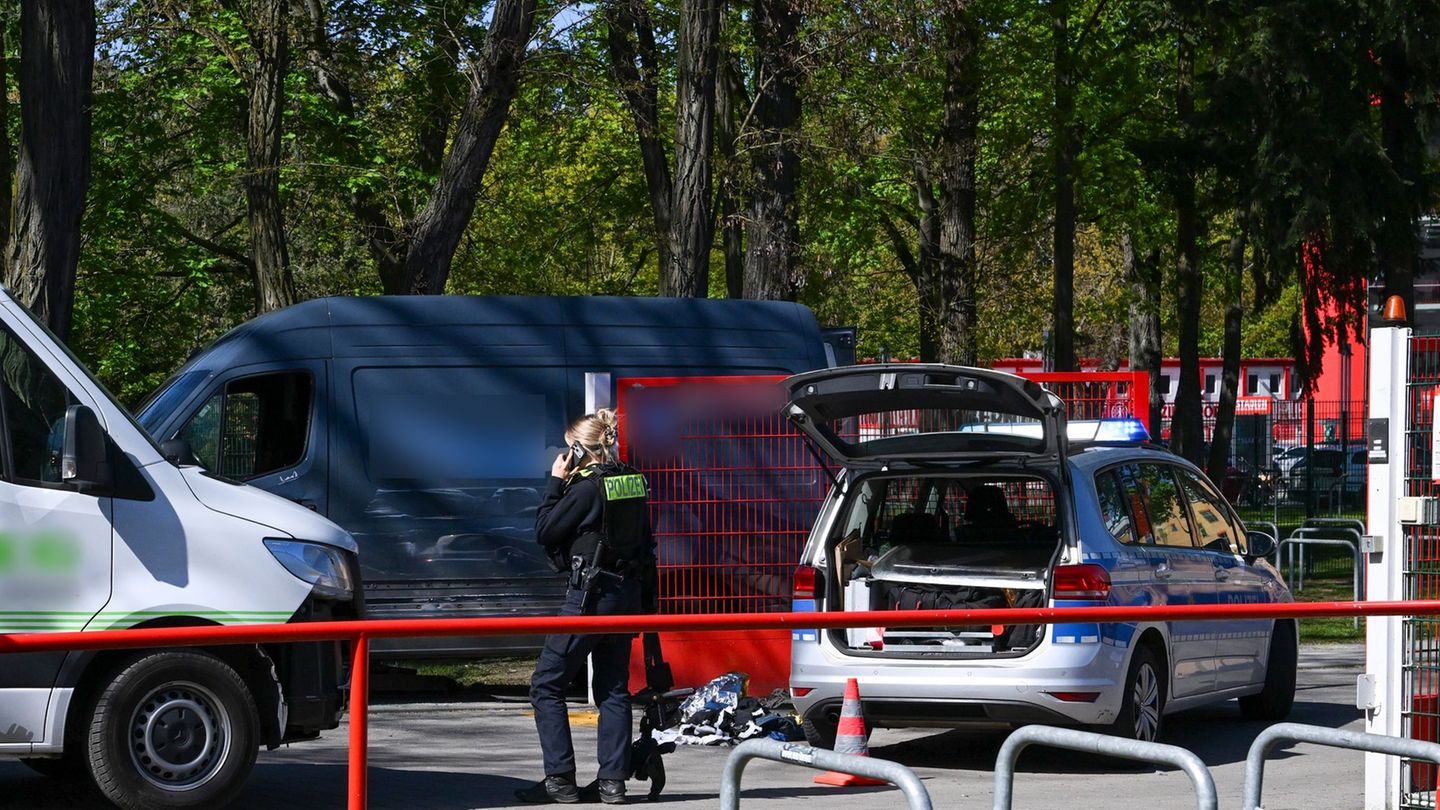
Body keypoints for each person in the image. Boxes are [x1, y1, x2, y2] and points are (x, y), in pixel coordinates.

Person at [516, 408, 656, 805]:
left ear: (578, 449)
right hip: (625, 598)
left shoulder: (585, 489)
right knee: (613, 688)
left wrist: (555, 482)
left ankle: (560, 780)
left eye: (567, 448)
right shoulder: (633, 481)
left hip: (589, 598)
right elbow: (646, 542)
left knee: (546, 685)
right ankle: (613, 783)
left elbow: (545, 530)